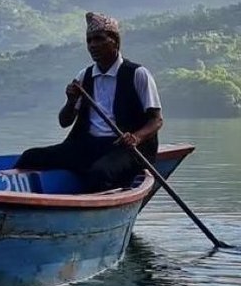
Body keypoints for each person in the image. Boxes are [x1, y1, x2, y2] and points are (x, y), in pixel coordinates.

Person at [15, 11, 162, 192]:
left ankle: (98, 203)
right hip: (89, 145)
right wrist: (71, 101)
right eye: (89, 41)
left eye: (99, 39)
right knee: (30, 157)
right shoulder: (85, 76)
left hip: (126, 149)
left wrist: (136, 137)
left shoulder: (137, 74)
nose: (92, 45)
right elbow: (64, 122)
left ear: (115, 41)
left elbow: (156, 120)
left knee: (100, 173)